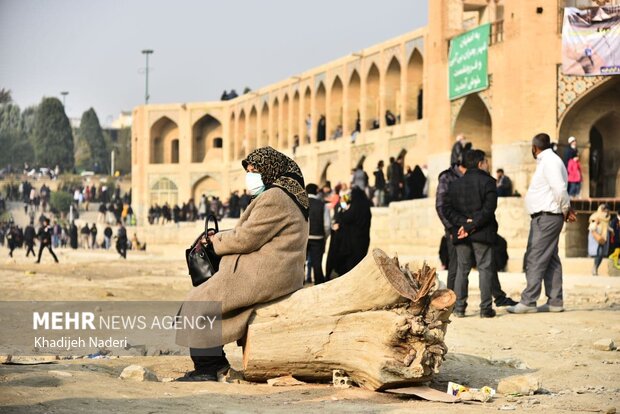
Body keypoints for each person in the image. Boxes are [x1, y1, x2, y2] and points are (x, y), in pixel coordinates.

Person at [176, 146, 309, 381]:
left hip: (266, 272)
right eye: (248, 170)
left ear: (270, 169)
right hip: (273, 269)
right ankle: (212, 364)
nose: (250, 176)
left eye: (254, 170)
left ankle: (209, 367)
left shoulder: (276, 197)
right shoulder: (286, 194)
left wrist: (215, 242)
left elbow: (246, 238)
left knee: (197, 303)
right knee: (201, 301)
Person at [508, 133, 576, 314]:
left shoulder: (550, 161)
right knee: (550, 258)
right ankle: (555, 301)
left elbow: (559, 189)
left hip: (547, 217)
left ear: (534, 147)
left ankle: (529, 301)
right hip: (547, 217)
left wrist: (566, 208)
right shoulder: (548, 161)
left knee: (535, 257)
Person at [442, 150, 499, 318]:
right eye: (486, 161)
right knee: (485, 268)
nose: (488, 164)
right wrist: (472, 225)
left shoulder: (455, 184)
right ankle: (485, 308)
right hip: (481, 231)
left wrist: (463, 224)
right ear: (480, 163)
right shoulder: (488, 182)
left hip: (461, 233)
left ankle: (459, 308)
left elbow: (447, 210)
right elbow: (488, 210)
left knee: (462, 269)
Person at [329, 187, 372, 276]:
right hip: (364, 239)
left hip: (353, 241)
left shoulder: (355, 206)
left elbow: (346, 218)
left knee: (352, 263)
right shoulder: (366, 207)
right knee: (360, 261)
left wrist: (341, 212)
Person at [306, 183, 331, 285]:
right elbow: (327, 225)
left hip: (303, 237)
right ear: (316, 191)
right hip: (318, 237)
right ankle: (318, 285)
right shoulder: (322, 204)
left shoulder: (300, 204)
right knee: (317, 264)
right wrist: (325, 236)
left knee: (300, 262)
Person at [588, 204, 612, 276]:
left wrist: (612, 231)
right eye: (604, 210)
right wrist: (596, 222)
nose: (606, 212)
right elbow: (591, 224)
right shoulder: (595, 216)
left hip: (603, 237)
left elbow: (607, 226)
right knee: (598, 253)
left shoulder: (607, 218)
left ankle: (596, 268)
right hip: (596, 236)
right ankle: (594, 268)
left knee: (601, 255)